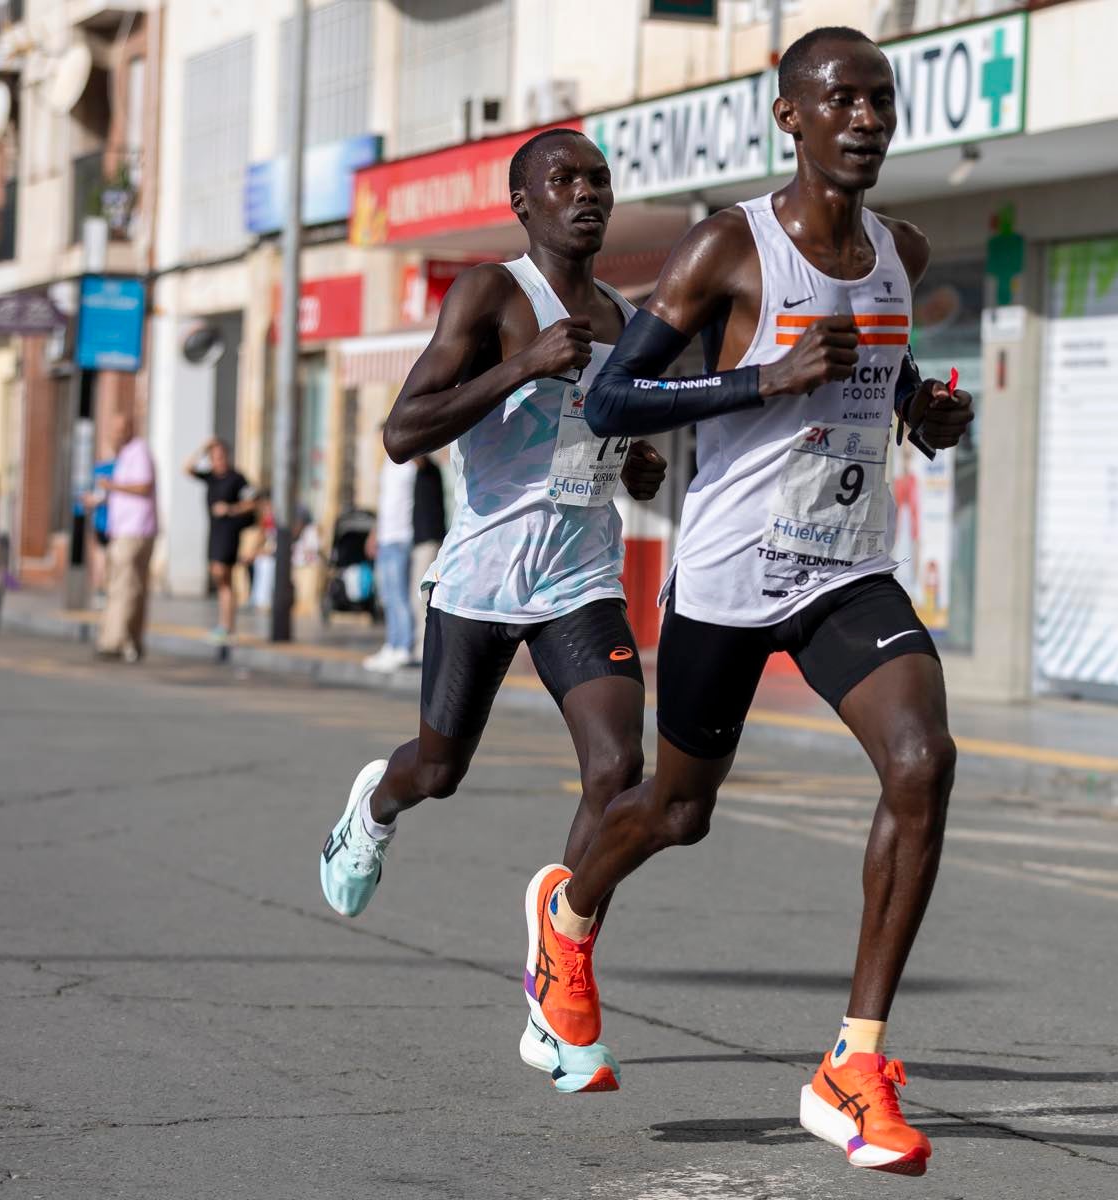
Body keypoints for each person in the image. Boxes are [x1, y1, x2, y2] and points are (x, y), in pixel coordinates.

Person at [557, 27, 974, 1176]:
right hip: (732, 576)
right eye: (842, 100)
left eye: (881, 101)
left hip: (844, 566)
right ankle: (570, 917)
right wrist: (760, 378)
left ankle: (854, 1062)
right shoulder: (728, 248)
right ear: (790, 115)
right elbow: (613, 401)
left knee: (922, 760)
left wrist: (921, 413)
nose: (866, 119)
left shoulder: (901, 250)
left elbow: (878, 372)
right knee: (677, 810)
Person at [316, 127, 667, 1095]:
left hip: (580, 578)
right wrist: (522, 365)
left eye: (599, 179)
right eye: (565, 180)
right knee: (439, 769)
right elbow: (401, 433)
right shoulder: (490, 295)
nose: (587, 193)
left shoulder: (629, 320)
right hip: (481, 579)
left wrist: (637, 462)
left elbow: (607, 438)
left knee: (619, 769)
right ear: (524, 203)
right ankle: (373, 808)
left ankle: (557, 987)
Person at [92, 410, 157, 662]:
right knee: (129, 586)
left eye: (120, 430)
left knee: (123, 586)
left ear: (131, 429)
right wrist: (100, 498)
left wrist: (111, 486)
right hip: (125, 529)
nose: (115, 435)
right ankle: (130, 641)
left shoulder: (138, 452)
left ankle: (114, 640)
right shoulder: (126, 455)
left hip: (134, 530)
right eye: (113, 430)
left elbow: (143, 486)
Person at [185, 438, 256, 643]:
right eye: (214, 457)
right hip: (214, 532)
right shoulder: (211, 477)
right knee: (220, 578)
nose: (219, 461)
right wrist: (203, 448)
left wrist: (230, 508)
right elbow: (187, 468)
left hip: (229, 532)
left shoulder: (237, 478)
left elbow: (253, 502)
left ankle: (227, 625)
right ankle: (225, 624)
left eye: (221, 456)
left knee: (223, 575)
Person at [364, 450, 418, 672]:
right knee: (387, 595)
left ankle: (404, 646)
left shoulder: (411, 461)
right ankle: (393, 643)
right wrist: (375, 533)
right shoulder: (388, 463)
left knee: (399, 595)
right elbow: (385, 502)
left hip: (400, 536)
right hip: (386, 537)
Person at [410, 454, 445, 662]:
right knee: (420, 598)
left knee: (422, 597)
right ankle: (422, 648)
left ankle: (424, 650)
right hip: (422, 541)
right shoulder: (423, 472)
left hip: (428, 541)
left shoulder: (429, 470)